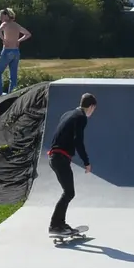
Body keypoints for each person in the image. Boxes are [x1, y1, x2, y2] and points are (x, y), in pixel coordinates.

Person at [45, 91, 95, 235]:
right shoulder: (81, 117)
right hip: (60, 158)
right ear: (91, 107)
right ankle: (55, 225)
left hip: (54, 157)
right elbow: (78, 141)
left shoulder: (68, 114)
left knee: (68, 193)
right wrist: (86, 162)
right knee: (69, 193)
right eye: (93, 109)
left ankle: (60, 224)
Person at [0, 8, 32, 95]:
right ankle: (12, 94)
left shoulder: (5, 24)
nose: (0, 19)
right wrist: (18, 41)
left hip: (7, 51)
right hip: (16, 51)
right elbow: (28, 34)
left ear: (6, 15)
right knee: (13, 76)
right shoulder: (17, 25)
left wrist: (3, 40)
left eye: (1, 16)